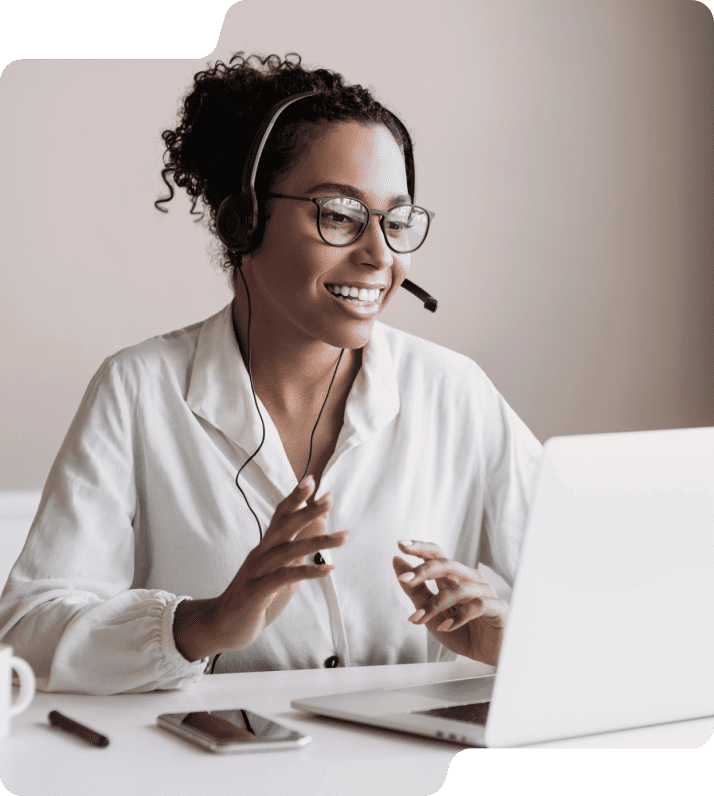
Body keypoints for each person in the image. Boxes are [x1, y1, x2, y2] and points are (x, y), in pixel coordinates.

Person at [0, 53, 541, 695]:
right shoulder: (139, 389)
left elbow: (608, 593)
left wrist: (517, 640)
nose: (379, 256)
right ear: (244, 220)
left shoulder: (455, 392)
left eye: (395, 222)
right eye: (340, 215)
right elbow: (26, 634)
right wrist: (202, 624)